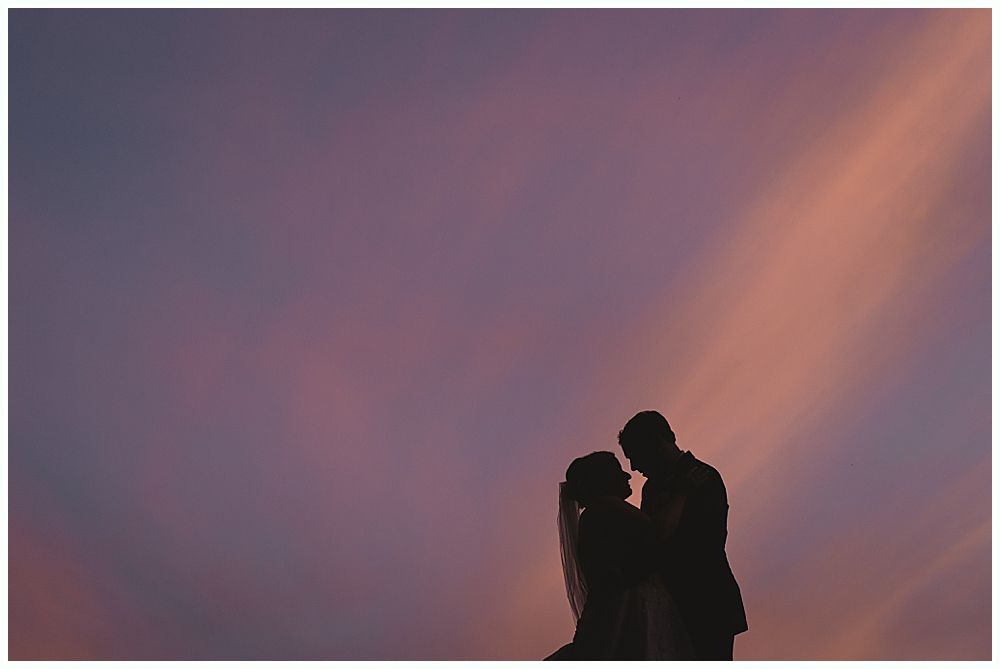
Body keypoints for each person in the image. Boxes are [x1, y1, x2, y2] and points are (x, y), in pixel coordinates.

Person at [545, 451, 702, 660]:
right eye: (618, 471)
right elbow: (657, 532)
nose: (627, 476)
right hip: (630, 606)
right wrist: (682, 493)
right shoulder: (606, 505)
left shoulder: (595, 514)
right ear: (602, 480)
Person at [618, 410, 748, 660]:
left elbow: (700, 541)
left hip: (706, 599)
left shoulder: (704, 477)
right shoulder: (652, 487)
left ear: (657, 442)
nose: (634, 467)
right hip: (671, 602)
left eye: (636, 456)